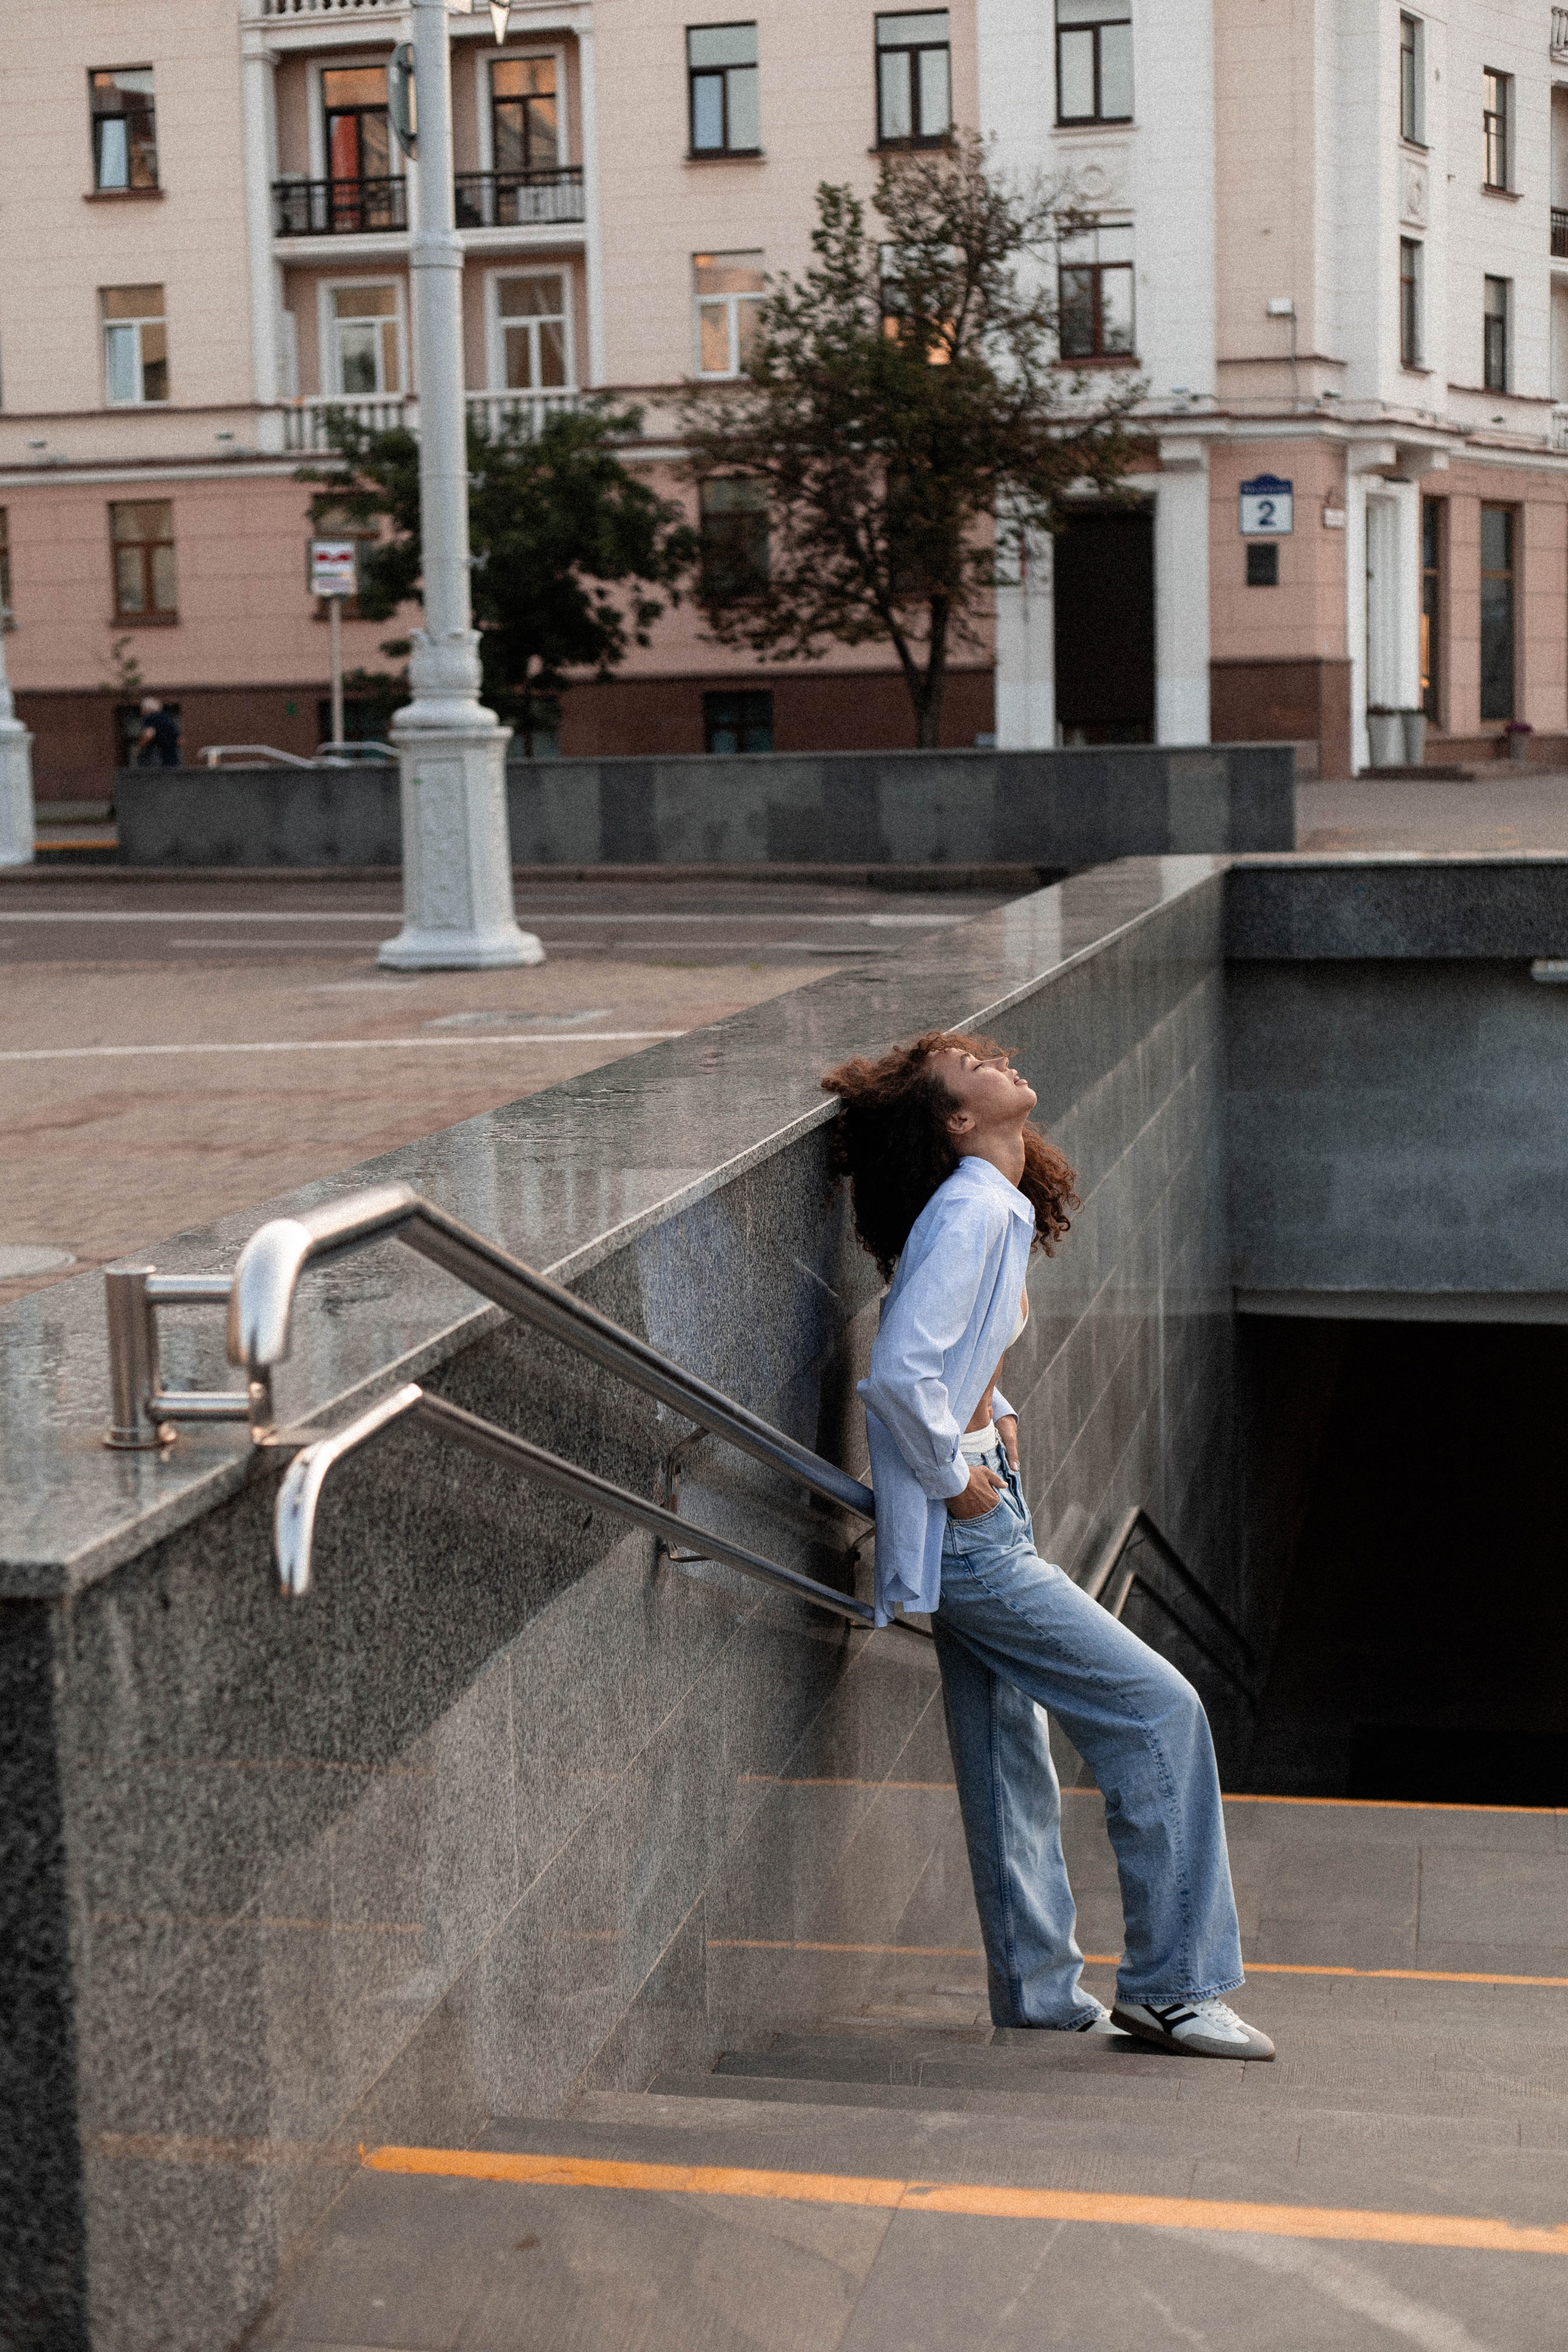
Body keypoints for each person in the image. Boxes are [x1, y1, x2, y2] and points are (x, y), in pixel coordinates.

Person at [821, 1028, 1273, 2062]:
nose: (1000, 1060)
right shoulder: (976, 1206)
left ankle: (1036, 1993)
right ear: (958, 1123)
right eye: (971, 1067)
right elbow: (898, 1373)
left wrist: (995, 1409)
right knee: (1160, 1711)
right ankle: (1175, 1987)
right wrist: (958, 1480)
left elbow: (943, 1349)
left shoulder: (983, 1204)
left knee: (1006, 1756)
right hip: (972, 1535)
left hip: (977, 1504)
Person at [134, 696, 181, 767]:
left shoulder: (151, 718)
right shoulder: (168, 719)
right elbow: (179, 740)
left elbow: (149, 735)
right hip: (172, 758)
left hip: (156, 757)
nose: (142, 712)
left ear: (147, 709)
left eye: (142, 709)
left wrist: (139, 748)